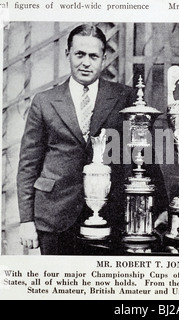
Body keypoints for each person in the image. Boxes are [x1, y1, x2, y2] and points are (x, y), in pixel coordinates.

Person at [17, 24, 168, 255]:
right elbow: (28, 165)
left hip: (112, 215)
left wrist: (161, 208)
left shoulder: (124, 97)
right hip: (56, 216)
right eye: (79, 54)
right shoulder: (44, 101)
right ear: (68, 54)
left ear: (103, 58)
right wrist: (26, 221)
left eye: (93, 56)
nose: (85, 62)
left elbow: (144, 155)